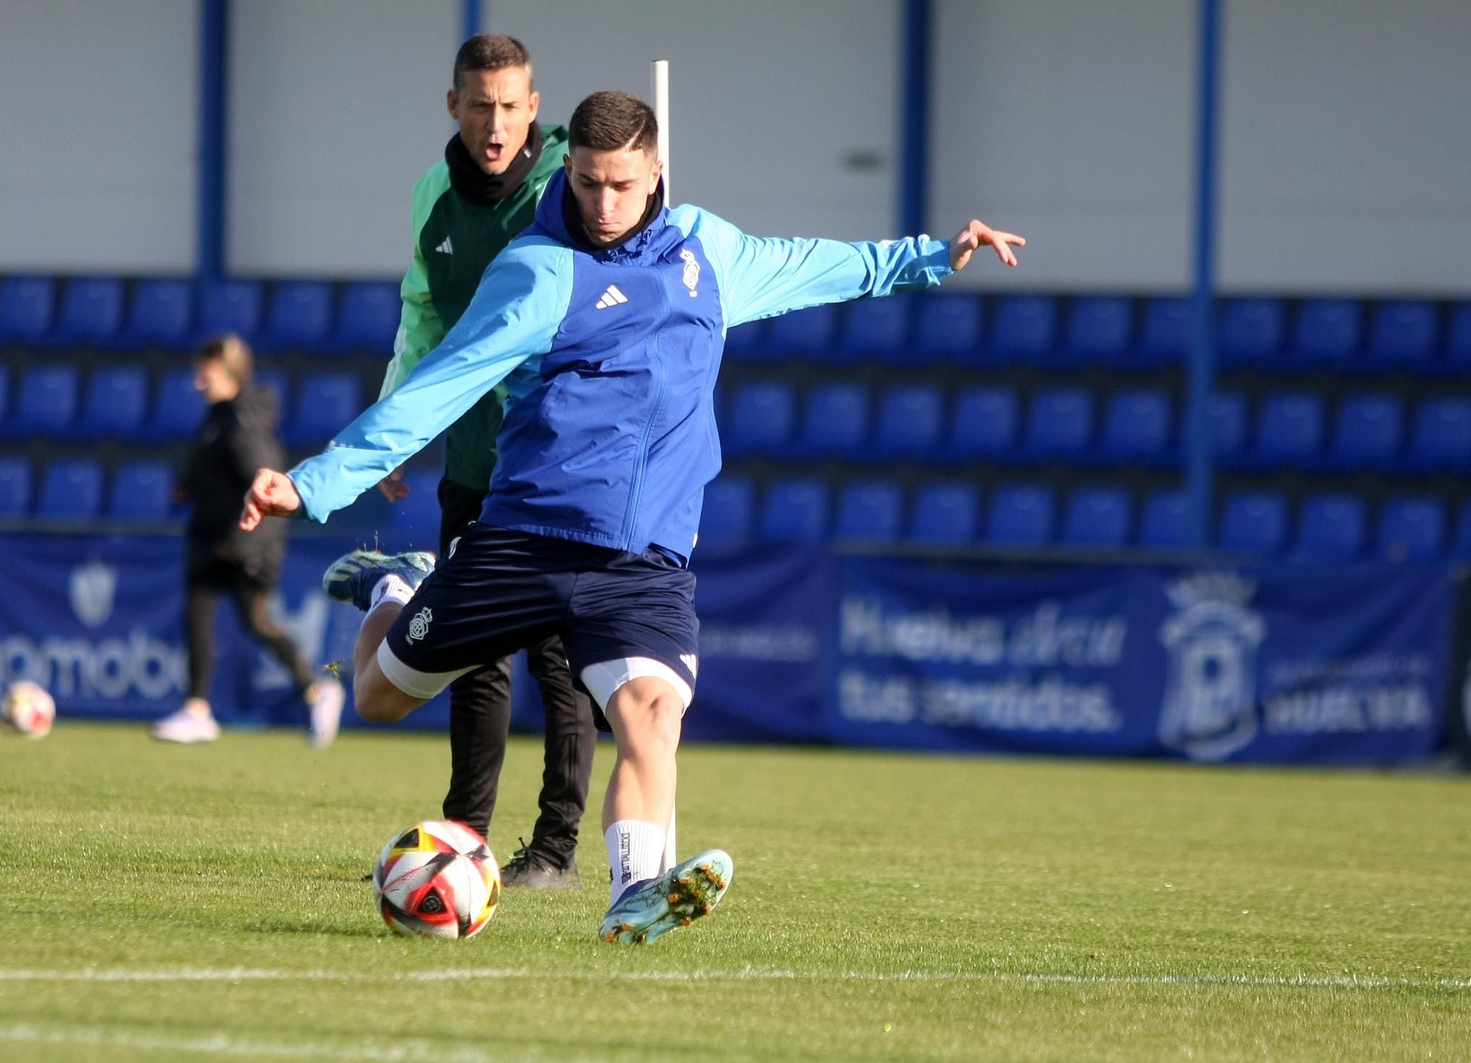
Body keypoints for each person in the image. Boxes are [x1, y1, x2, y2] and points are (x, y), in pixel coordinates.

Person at [241, 91, 1024, 943]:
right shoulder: (538, 270)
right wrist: (316, 481)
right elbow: (442, 384)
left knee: (652, 714)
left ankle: (632, 895)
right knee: (378, 696)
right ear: (568, 170)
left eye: (620, 184)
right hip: (525, 539)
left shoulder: (705, 252)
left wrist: (931, 257)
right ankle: (397, 585)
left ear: (657, 170)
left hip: (643, 560)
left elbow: (811, 265)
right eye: (585, 184)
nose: (603, 205)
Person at [379, 33, 597, 888]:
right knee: (472, 658)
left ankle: (556, 849)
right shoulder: (432, 195)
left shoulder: (567, 190)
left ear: (534, 108)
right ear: (454, 106)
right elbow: (420, 314)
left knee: (556, 658)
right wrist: (397, 425)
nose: (495, 121)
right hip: (473, 461)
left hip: (556, 464)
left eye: (511, 105)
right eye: (480, 104)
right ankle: (463, 842)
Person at [151, 334, 345, 746]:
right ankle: (198, 709)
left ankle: (317, 688)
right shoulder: (218, 417)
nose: (199, 382)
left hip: (241, 541)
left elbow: (263, 482)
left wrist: (246, 544)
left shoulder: (241, 421)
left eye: (207, 374)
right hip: (211, 538)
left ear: (231, 374)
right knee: (199, 616)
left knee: (254, 621)